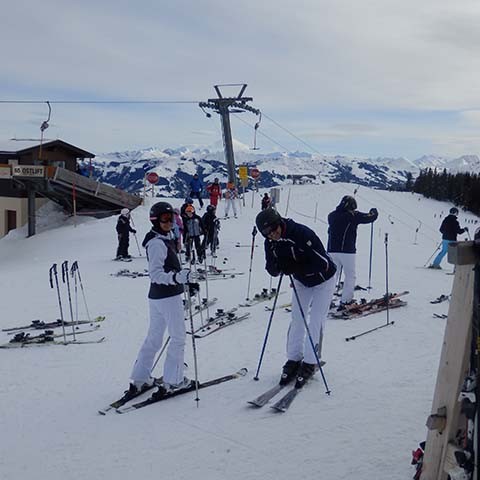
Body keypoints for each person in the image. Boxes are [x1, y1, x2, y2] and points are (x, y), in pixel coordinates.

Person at [256, 208, 337, 388]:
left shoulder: (301, 233)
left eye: (273, 229)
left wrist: (295, 267)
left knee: (315, 320)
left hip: (324, 280)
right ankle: (293, 359)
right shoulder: (270, 242)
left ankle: (310, 361)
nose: (272, 235)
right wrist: (278, 267)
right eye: (267, 233)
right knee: (297, 319)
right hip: (302, 282)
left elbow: (322, 264)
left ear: (280, 223)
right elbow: (271, 267)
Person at [127, 201, 197, 397]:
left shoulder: (164, 238)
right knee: (178, 337)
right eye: (164, 219)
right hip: (168, 296)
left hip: (158, 297)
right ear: (155, 221)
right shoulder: (157, 243)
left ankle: (140, 378)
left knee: (154, 337)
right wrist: (177, 278)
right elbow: (156, 274)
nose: (169, 222)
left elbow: (170, 268)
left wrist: (185, 281)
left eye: (171, 218)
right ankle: (174, 381)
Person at [327, 195, 378, 307]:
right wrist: (374, 212)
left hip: (331, 250)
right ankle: (346, 301)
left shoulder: (331, 215)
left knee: (331, 276)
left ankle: (326, 299)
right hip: (347, 251)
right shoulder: (353, 215)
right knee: (350, 276)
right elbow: (370, 217)